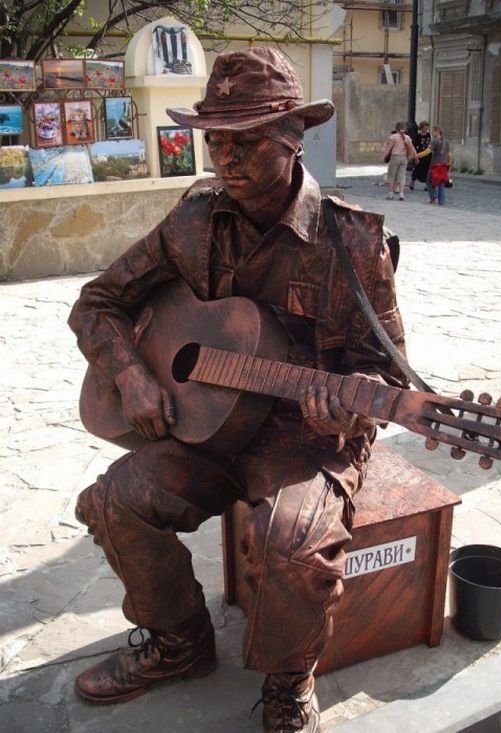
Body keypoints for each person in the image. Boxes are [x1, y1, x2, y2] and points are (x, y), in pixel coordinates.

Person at [67, 47, 408, 733]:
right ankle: (180, 642)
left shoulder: (350, 240)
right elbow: (97, 302)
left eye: (245, 139)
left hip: (304, 438)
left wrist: (347, 401)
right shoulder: (192, 220)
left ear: (291, 135)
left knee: (292, 544)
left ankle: (288, 677)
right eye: (216, 139)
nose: (226, 156)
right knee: (113, 502)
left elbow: (390, 373)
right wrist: (132, 372)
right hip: (206, 428)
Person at [382, 121, 417, 201]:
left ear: (396, 128)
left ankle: (391, 194)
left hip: (395, 157)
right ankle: (401, 194)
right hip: (404, 158)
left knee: (391, 176)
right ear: (404, 129)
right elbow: (412, 147)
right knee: (402, 177)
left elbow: (389, 148)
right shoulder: (407, 137)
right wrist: (415, 155)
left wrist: (383, 156)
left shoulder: (393, 137)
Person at [425, 125, 452, 205]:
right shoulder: (446, 142)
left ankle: (433, 197)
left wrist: (417, 155)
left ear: (437, 132)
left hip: (435, 165)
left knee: (429, 180)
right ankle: (442, 201)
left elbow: (428, 151)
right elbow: (450, 154)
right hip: (444, 164)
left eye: (433, 131)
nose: (432, 133)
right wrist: (449, 163)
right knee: (441, 182)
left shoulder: (434, 141)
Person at [409, 120, 431, 191]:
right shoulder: (418, 136)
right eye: (425, 127)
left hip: (428, 155)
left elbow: (430, 144)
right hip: (420, 154)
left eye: (427, 127)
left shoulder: (428, 135)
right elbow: (414, 145)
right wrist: (414, 155)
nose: (426, 129)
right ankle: (412, 182)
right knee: (417, 168)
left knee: (427, 170)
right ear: (421, 127)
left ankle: (426, 185)